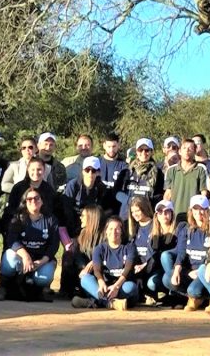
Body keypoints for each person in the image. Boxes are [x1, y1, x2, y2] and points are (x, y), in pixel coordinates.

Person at [60, 156, 114, 297]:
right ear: (82, 171)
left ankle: (86, 287)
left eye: (94, 170)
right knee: (71, 254)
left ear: (99, 172)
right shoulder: (73, 186)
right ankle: (66, 289)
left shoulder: (102, 189)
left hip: (96, 230)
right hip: (74, 230)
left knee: (93, 255)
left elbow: (107, 212)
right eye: (87, 170)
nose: (90, 173)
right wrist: (72, 236)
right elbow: (66, 211)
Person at [0, 187, 60, 302]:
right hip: (21, 259)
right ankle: (3, 286)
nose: (33, 201)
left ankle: (40, 289)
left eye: (36, 198)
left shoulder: (51, 220)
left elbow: (54, 245)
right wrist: (25, 256)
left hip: (40, 260)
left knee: (45, 277)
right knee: (9, 255)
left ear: (42, 201)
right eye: (29, 199)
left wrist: (41, 262)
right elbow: (11, 240)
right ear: (25, 202)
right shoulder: (18, 218)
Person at [74, 216, 138, 310]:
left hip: (121, 286)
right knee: (85, 279)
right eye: (111, 229)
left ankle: (95, 302)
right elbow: (97, 270)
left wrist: (116, 287)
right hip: (105, 287)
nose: (114, 232)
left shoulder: (130, 247)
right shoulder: (99, 249)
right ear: (106, 231)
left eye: (117, 229)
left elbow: (128, 269)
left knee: (131, 287)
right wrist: (101, 282)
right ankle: (111, 303)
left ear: (122, 231)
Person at [168, 194, 210, 310]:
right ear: (191, 211)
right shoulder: (186, 229)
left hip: (204, 272)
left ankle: (204, 298)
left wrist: (199, 271)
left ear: (207, 210)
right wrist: (177, 270)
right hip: (190, 271)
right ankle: (192, 297)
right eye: (195, 209)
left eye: (202, 209)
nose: (198, 212)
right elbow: (181, 252)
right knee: (168, 278)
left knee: (194, 290)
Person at [2, 157, 60, 232]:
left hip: (42, 228)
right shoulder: (18, 188)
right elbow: (11, 210)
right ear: (28, 170)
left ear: (44, 170)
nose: (36, 172)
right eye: (32, 169)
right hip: (20, 226)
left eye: (39, 169)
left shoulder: (48, 189)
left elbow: (52, 211)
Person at [116, 138, 165, 219]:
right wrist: (129, 200)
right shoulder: (127, 171)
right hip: (127, 215)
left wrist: (146, 202)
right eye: (140, 150)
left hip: (147, 215)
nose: (143, 153)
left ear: (151, 152)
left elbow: (159, 195)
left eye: (147, 150)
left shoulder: (158, 172)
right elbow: (117, 191)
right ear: (136, 152)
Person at [164, 139, 209, 223]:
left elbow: (204, 193)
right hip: (175, 216)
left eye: (190, 148)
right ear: (180, 151)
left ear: (195, 151)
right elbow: (168, 194)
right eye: (184, 148)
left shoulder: (201, 169)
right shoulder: (171, 170)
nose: (187, 150)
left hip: (194, 217)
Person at [147, 199, 178, 303]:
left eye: (167, 211)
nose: (163, 214)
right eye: (160, 212)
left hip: (176, 269)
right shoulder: (153, 234)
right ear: (156, 215)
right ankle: (166, 293)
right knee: (151, 283)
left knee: (165, 256)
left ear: (172, 213)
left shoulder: (179, 230)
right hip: (160, 270)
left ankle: (175, 293)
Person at [98, 133, 129, 212]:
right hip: (98, 206)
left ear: (118, 145)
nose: (111, 150)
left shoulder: (124, 165)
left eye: (114, 146)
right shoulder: (97, 163)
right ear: (104, 146)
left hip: (116, 208)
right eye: (109, 147)